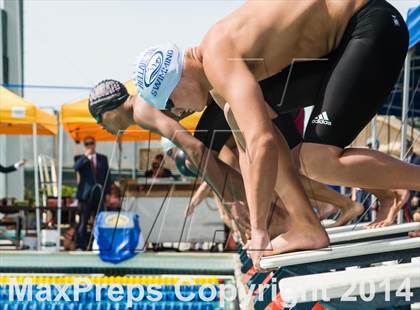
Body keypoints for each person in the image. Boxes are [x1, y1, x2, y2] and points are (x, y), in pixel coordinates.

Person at [73, 136, 111, 250]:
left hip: (99, 194)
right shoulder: (79, 158)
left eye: (91, 143)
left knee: (100, 219)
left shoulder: (102, 158)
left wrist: (108, 192)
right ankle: (81, 245)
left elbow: (107, 176)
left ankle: (99, 243)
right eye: (87, 143)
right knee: (83, 220)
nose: (90, 145)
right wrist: (85, 156)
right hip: (86, 195)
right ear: (85, 145)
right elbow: (75, 167)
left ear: (95, 144)